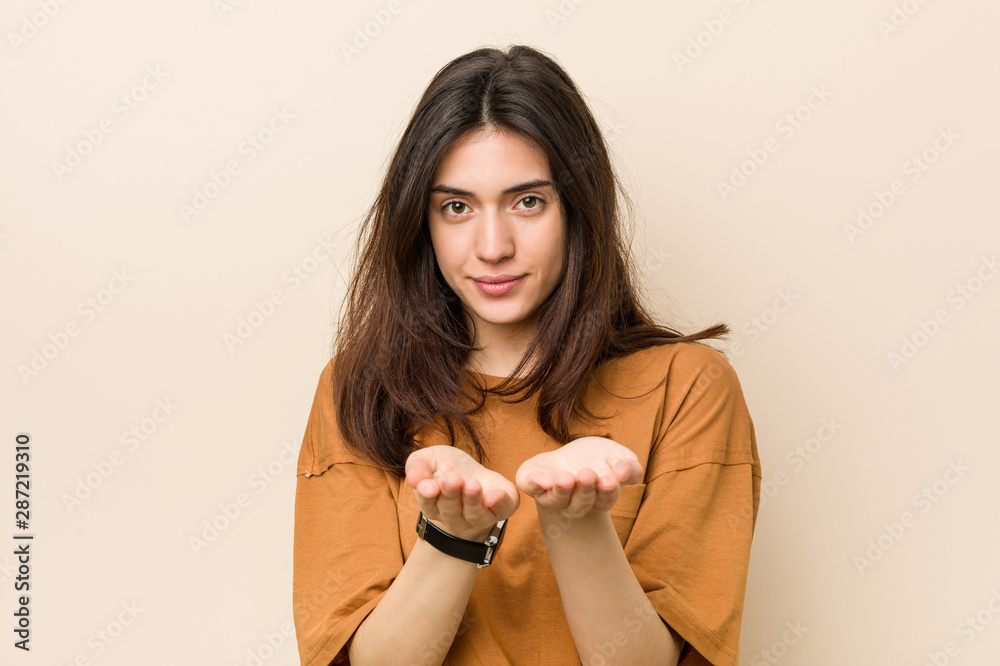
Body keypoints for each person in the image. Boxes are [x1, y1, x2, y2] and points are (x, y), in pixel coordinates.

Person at [293, 44, 761, 666]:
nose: (493, 246)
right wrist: (456, 536)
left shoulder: (688, 387)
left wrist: (575, 521)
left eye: (527, 202)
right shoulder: (360, 388)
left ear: (579, 210)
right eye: (456, 207)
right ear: (421, 222)